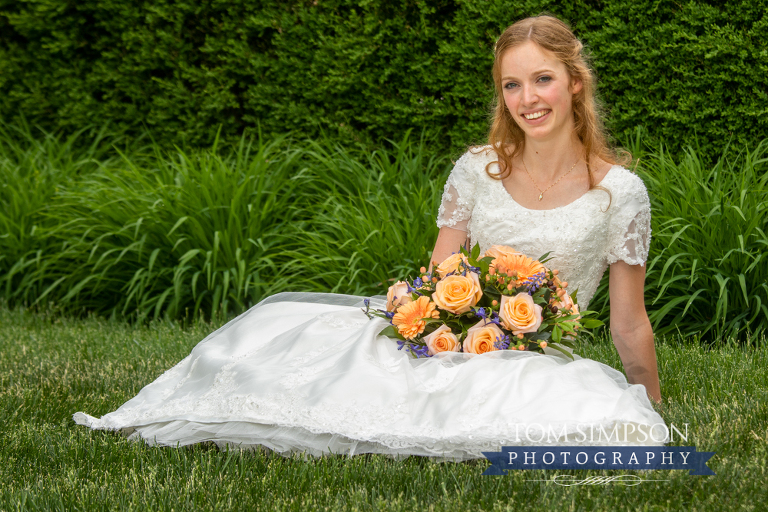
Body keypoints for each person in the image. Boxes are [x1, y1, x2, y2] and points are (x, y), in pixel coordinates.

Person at [74, 15, 665, 460]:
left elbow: (627, 321)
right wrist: (440, 325)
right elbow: (440, 278)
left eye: (542, 79)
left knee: (590, 420)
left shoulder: (620, 192)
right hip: (450, 335)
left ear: (575, 83)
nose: (527, 99)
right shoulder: (476, 169)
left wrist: (651, 401)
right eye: (512, 85)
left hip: (536, 353)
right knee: (312, 366)